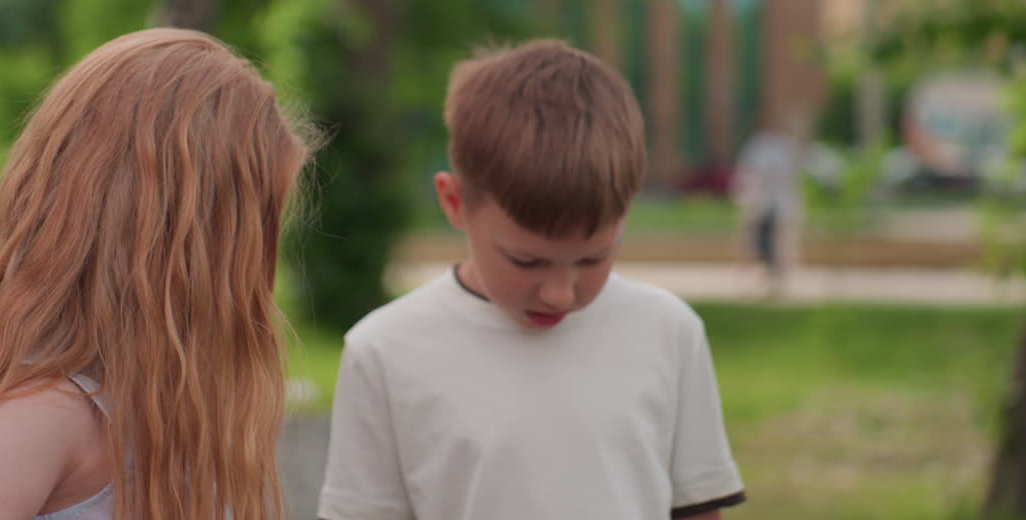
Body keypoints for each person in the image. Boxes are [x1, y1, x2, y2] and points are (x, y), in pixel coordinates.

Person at [0, 28, 316, 520]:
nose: (262, 261)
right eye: (257, 227)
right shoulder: (40, 419)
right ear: (188, 245)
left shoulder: (164, 405)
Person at [318, 40, 745, 520]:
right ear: (455, 202)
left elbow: (698, 510)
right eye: (527, 261)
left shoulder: (670, 333)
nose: (561, 292)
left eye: (593, 258)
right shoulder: (383, 352)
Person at [731, 116, 805, 298]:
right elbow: (749, 176)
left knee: (779, 244)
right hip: (761, 202)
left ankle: (776, 281)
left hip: (777, 203)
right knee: (752, 243)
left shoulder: (782, 146)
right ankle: (750, 281)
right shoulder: (760, 146)